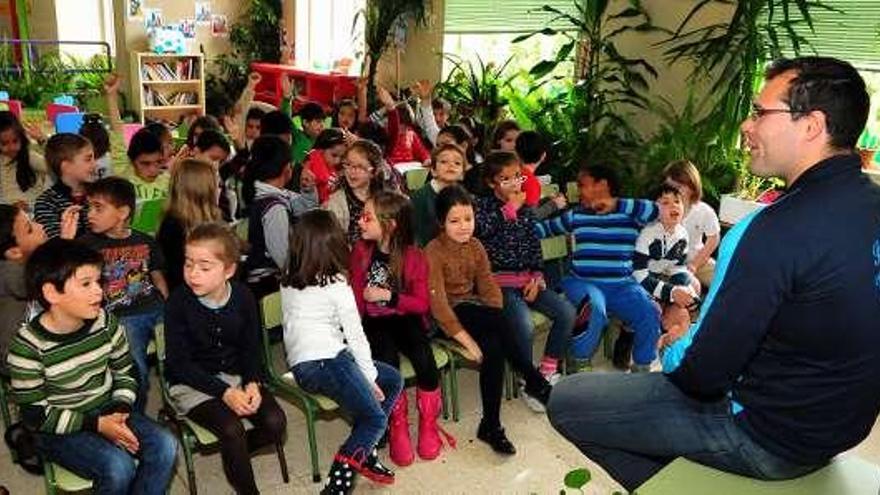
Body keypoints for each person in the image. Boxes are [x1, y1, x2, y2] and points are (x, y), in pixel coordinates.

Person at [547, 56, 880, 492]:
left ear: (812, 125)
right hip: (839, 429)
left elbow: (701, 376)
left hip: (770, 439)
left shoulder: (769, 230)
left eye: (760, 113)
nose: (747, 125)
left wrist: (675, 344)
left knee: (566, 401)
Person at [6, 238, 177, 494]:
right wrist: (98, 425)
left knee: (166, 445)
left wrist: (119, 408)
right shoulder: (27, 348)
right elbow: (36, 416)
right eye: (86, 284)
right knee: (118, 466)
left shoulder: (106, 322)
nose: (99, 291)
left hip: (107, 408)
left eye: (99, 282)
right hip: (55, 428)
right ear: (52, 293)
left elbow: (125, 371)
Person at [281, 209, 402, 494]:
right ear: (334, 245)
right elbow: (356, 337)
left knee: (393, 378)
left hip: (303, 366)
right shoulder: (337, 285)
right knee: (374, 418)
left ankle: (367, 450)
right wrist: (368, 377)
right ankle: (338, 485)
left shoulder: (287, 280)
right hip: (329, 362)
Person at [425, 185, 552, 455]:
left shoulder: (476, 246)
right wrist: (468, 341)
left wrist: (495, 313)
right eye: (454, 221)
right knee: (492, 326)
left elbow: (488, 286)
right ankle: (534, 378)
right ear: (441, 222)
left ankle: (490, 426)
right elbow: (438, 306)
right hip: (445, 319)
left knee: (494, 348)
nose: (463, 227)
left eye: (468, 219)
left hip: (476, 311)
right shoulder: (433, 251)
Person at [165, 223, 287, 495]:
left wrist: (253, 382)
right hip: (192, 384)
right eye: (188, 264)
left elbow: (251, 348)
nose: (193, 274)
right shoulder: (178, 302)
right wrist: (225, 393)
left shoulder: (243, 296)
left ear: (229, 270)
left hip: (237, 376)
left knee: (276, 424)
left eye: (205, 267)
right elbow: (180, 365)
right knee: (232, 430)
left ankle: (235, 454)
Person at [350, 191, 452, 466]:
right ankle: (398, 426)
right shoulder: (360, 252)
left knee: (424, 361)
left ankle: (428, 425)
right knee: (388, 364)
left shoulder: (414, 256)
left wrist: (388, 296)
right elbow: (356, 298)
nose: (361, 222)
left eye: (367, 217)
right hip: (374, 321)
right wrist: (355, 335)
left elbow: (420, 304)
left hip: (404, 315)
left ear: (390, 224)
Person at [536, 164, 660, 372]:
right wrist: (512, 227)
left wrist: (616, 204)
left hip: (621, 285)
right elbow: (544, 229)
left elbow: (655, 210)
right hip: (582, 282)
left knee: (648, 310)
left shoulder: (629, 215)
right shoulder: (578, 215)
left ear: (602, 186)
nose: (577, 190)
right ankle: (581, 362)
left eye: (582, 185)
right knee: (594, 309)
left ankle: (642, 368)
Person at [474, 151, 576, 391]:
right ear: (491, 182)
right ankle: (528, 377)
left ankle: (547, 370)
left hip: (528, 281)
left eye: (517, 177)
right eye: (505, 179)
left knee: (566, 312)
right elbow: (483, 234)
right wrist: (510, 209)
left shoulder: (527, 210)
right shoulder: (482, 208)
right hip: (499, 285)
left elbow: (533, 248)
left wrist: (538, 278)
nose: (514, 183)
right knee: (524, 325)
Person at [81, 177, 168, 412]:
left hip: (155, 306)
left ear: (123, 212)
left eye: (98, 208)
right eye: (89, 207)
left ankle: (181, 397)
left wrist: (170, 307)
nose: (90, 214)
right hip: (121, 317)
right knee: (134, 365)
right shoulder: (86, 246)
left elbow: (158, 277)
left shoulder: (145, 240)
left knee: (185, 343)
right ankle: (133, 414)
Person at [0, 203, 78, 375]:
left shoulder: (25, 263)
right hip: (20, 359)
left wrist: (64, 241)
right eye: (29, 229)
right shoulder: (8, 272)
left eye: (33, 220)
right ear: (14, 253)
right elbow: (49, 280)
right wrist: (64, 243)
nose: (40, 226)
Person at [242, 135, 318, 298]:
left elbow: (306, 208)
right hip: (267, 287)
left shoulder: (272, 194)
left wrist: (308, 190)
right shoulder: (274, 208)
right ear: (287, 169)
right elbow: (284, 259)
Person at [632, 184, 699, 340]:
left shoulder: (682, 233)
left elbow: (678, 268)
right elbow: (639, 275)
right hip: (633, 279)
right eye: (665, 202)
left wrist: (685, 293)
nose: (673, 206)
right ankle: (629, 340)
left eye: (677, 201)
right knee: (651, 308)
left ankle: (670, 337)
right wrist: (671, 292)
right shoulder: (646, 233)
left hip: (658, 277)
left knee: (687, 300)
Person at [157, 159, 223, 291]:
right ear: (203, 190)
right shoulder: (173, 227)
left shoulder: (212, 221)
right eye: (216, 184)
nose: (218, 189)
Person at [662, 160, 721, 288]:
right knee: (690, 285)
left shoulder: (704, 210)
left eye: (678, 187)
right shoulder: (661, 208)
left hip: (698, 260)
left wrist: (695, 264)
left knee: (722, 279)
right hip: (668, 265)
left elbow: (714, 238)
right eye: (669, 187)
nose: (673, 192)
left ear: (692, 187)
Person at [34, 133, 95, 238]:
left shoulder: (100, 194)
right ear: (66, 166)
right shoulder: (46, 202)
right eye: (88, 159)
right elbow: (56, 244)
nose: (95, 164)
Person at [325, 140, 385, 244]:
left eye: (360, 167)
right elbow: (334, 244)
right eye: (348, 164)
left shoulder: (383, 197)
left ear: (373, 172)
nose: (352, 171)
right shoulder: (337, 202)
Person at [411, 143, 466, 247]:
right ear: (433, 170)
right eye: (444, 162)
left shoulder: (464, 196)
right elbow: (417, 234)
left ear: (462, 174)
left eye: (457, 163)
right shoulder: (420, 197)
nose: (451, 165)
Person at [0, 111, 48, 208]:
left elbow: (55, 165)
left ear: (22, 138)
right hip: (7, 213)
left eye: (15, 141)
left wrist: (43, 141)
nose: (12, 147)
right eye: (4, 143)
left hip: (33, 210)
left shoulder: (29, 157)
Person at [303, 128, 347, 204]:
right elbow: (323, 178)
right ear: (321, 150)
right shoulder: (315, 156)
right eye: (334, 155)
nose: (338, 161)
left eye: (341, 157)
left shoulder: (333, 167)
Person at [124, 129, 169, 201]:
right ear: (132, 162)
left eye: (158, 162)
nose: (153, 170)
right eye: (145, 164)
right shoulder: (124, 178)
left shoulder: (169, 182)